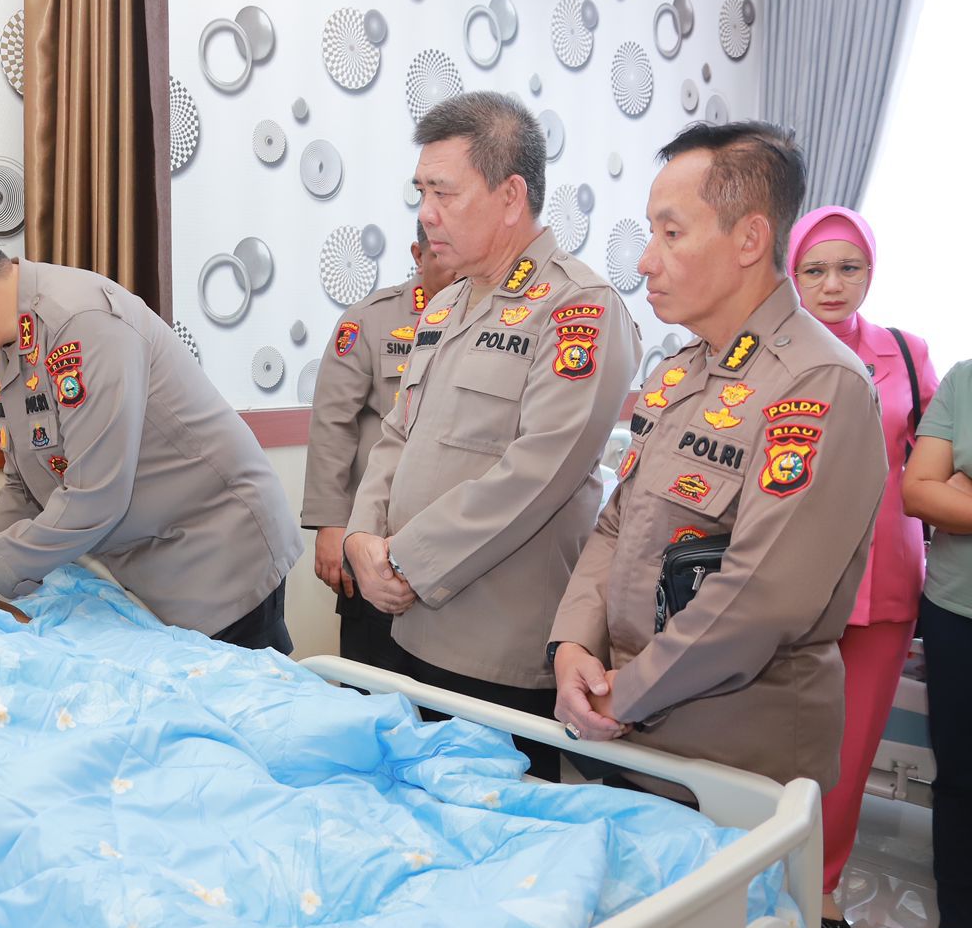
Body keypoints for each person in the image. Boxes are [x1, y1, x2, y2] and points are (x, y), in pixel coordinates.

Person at [549, 122, 887, 802]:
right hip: (625, 735)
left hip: (727, 765)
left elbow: (761, 597)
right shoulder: (680, 372)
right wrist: (573, 647)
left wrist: (627, 692)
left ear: (750, 240)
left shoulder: (818, 384)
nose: (646, 261)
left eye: (671, 233)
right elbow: (617, 523)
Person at [343, 92, 641, 781]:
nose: (426, 212)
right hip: (407, 626)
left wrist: (404, 560)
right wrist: (361, 538)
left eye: (443, 192)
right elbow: (397, 431)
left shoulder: (578, 308)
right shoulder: (447, 303)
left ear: (510, 197)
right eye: (421, 191)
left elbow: (539, 471)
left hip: (496, 652)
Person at [0, 201, 304, 651]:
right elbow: (24, 488)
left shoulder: (83, 323)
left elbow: (96, 495)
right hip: (147, 561)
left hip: (219, 553)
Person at [785, 206, 939, 928]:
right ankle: (750, 865)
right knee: (773, 735)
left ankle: (823, 882)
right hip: (789, 574)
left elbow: (937, 459)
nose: (832, 284)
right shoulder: (771, 351)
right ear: (790, 273)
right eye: (814, 269)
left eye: (850, 268)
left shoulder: (907, 353)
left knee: (849, 751)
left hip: (885, 579)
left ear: (871, 272)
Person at [302, 221, 457, 668]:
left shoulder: (491, 318)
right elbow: (333, 423)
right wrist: (331, 525)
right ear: (418, 255)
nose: (456, 269)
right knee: (371, 670)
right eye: (440, 255)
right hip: (375, 533)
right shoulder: (370, 321)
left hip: (450, 536)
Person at [893, 360, 972, 928]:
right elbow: (918, 493)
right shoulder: (966, 380)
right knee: (962, 778)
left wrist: (964, 495)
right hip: (957, 612)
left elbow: (944, 494)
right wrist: (943, 492)